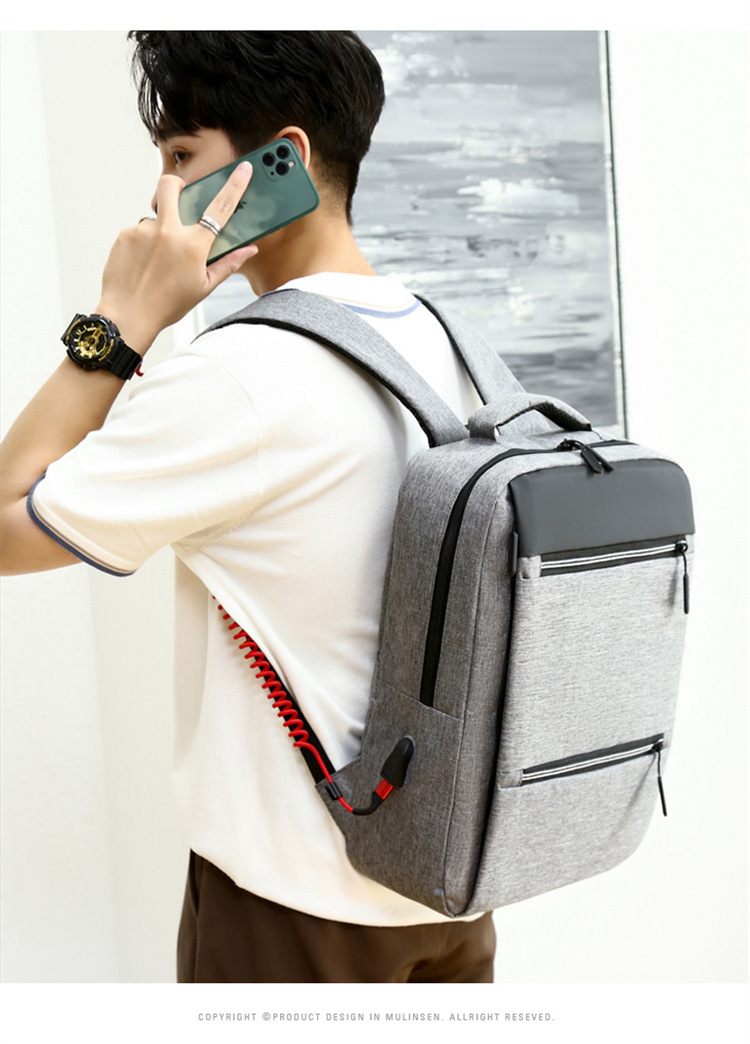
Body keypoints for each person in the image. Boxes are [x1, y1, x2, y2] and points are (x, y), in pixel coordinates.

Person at [0, 30, 496, 983]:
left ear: (285, 161)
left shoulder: (241, 374)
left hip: (294, 913)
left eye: (181, 156)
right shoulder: (452, 344)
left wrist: (122, 321)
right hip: (452, 891)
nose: (161, 194)